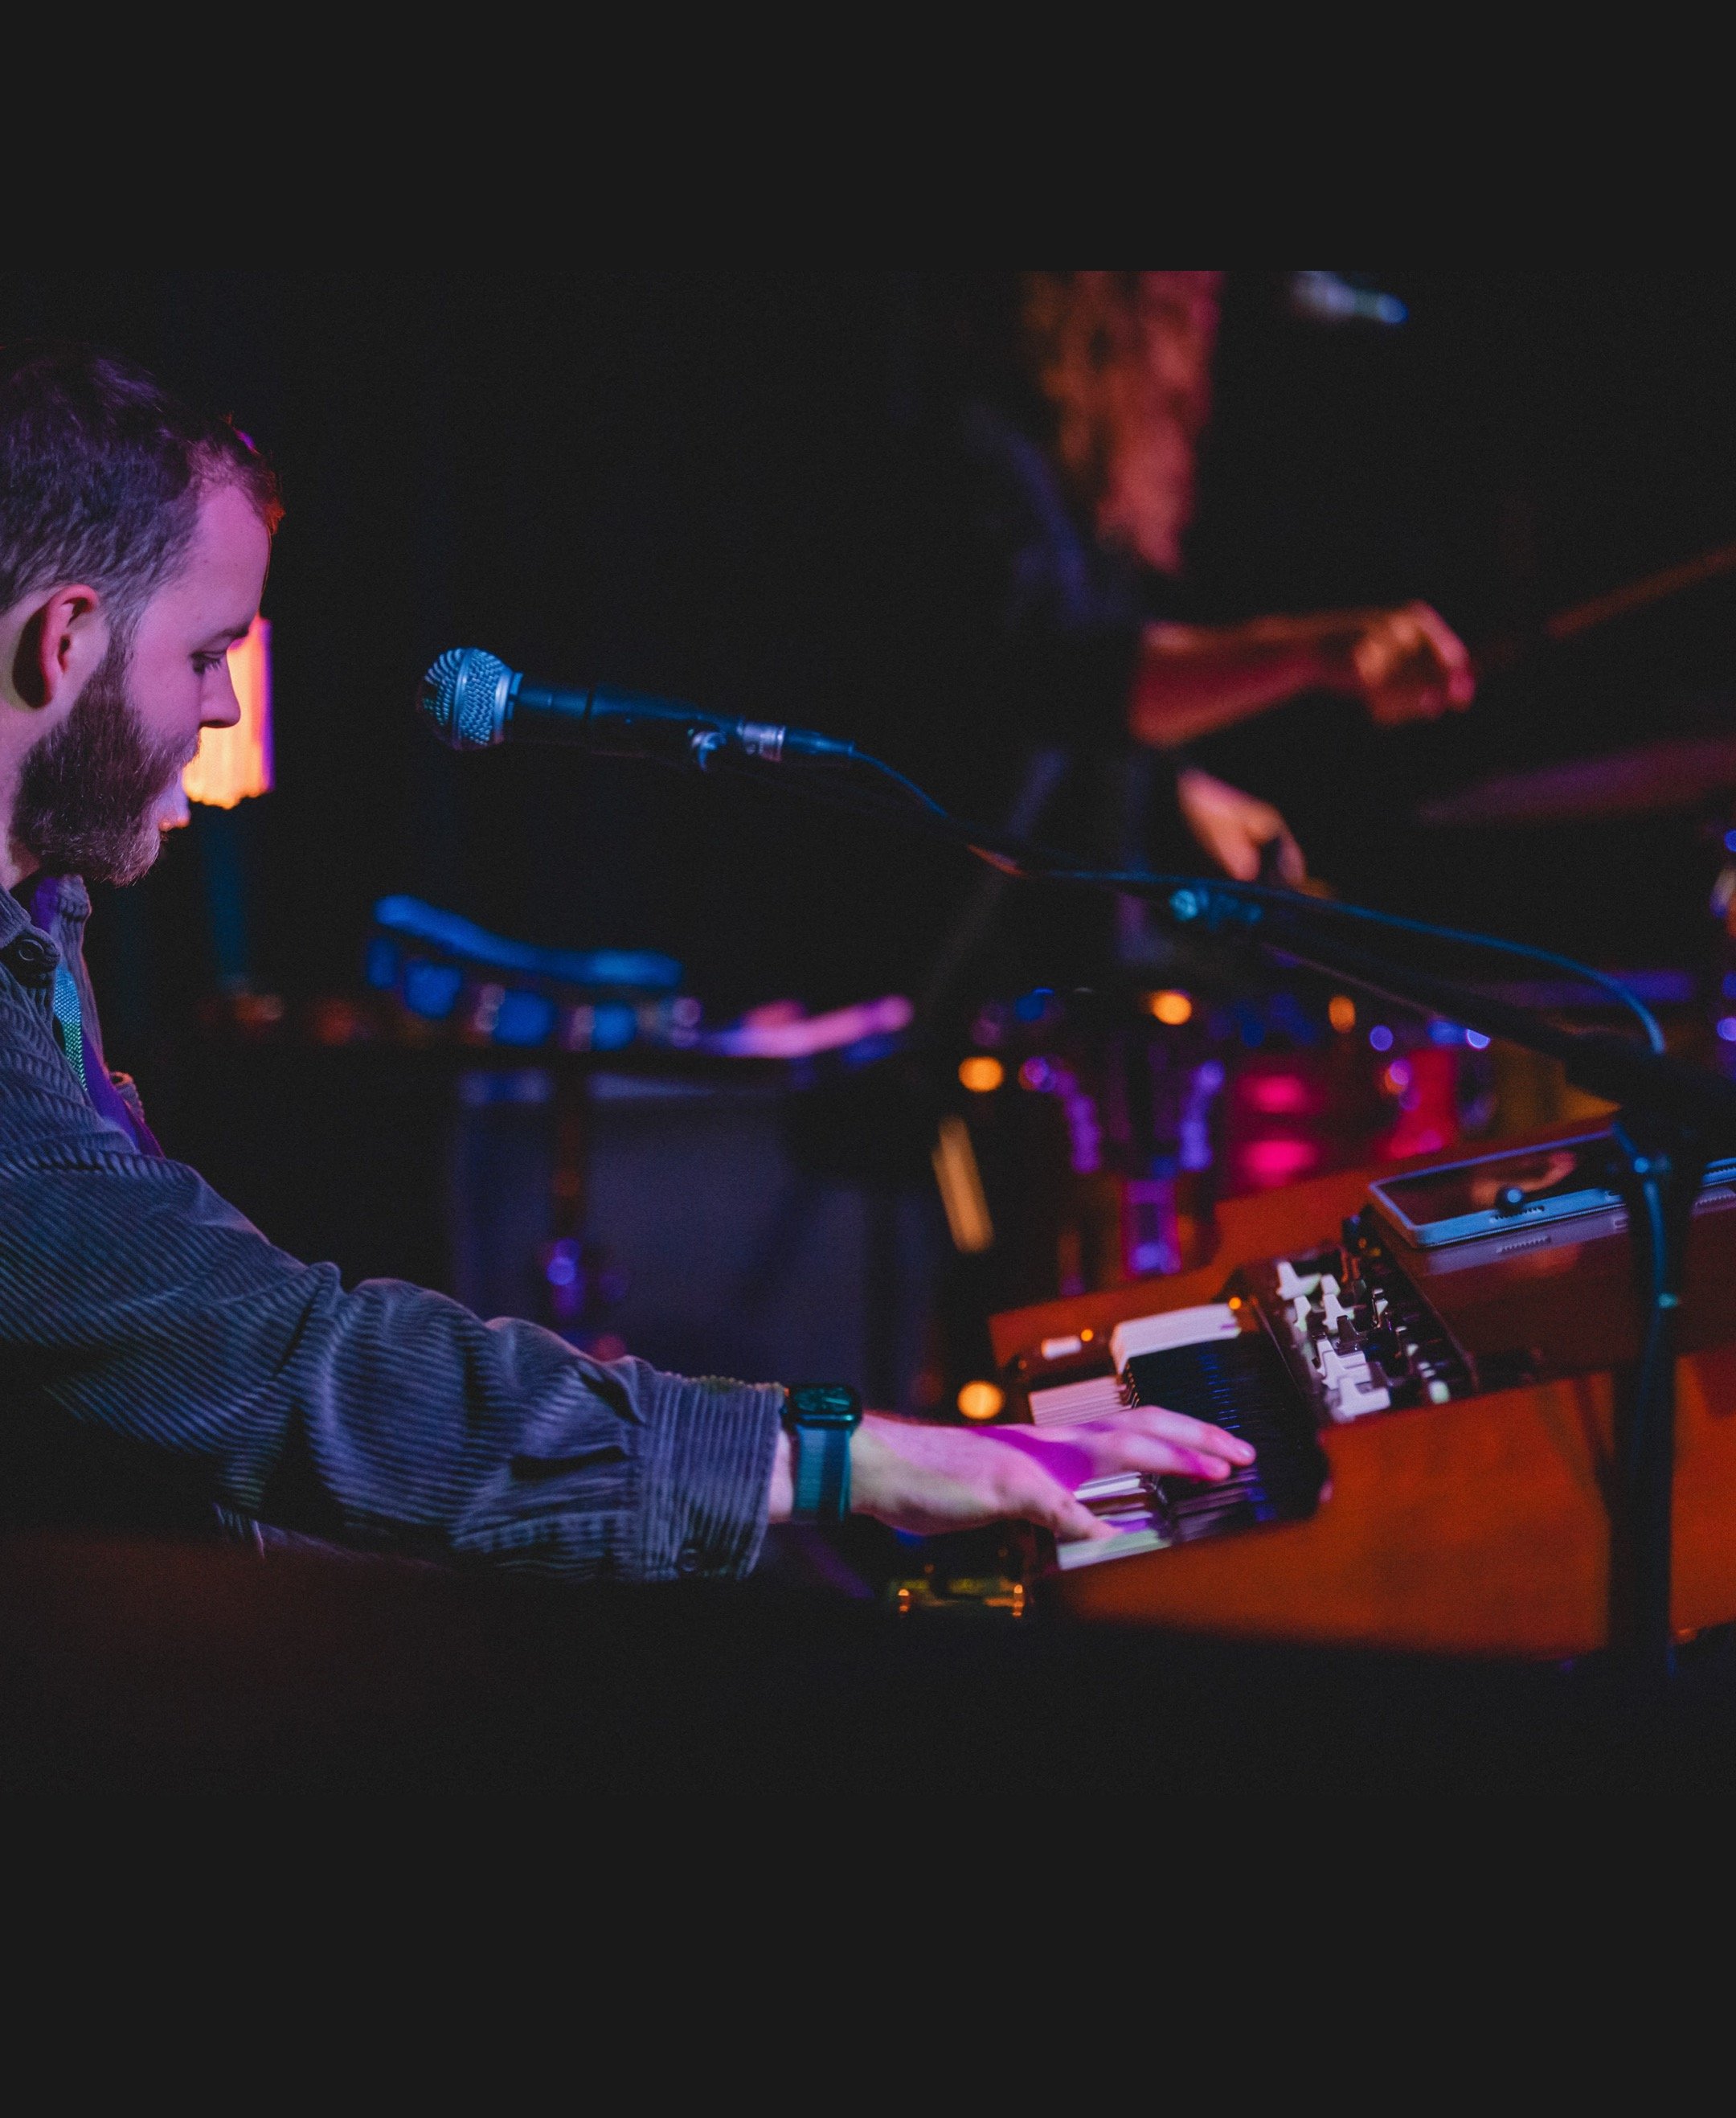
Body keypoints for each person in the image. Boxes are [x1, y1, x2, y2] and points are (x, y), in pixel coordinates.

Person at [0, 343, 1252, 1575]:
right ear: (65, 641)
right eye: (209, 655)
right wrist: (845, 1459)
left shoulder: (42, 907)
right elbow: (291, 1371)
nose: (226, 709)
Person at [937, 272, 1474, 896]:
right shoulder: (982, 451)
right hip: (900, 973)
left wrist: (1173, 786)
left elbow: (1081, 727)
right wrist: (1308, 652)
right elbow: (1060, 676)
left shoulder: (1085, 503)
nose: (1202, 334)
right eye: (1188, 304)